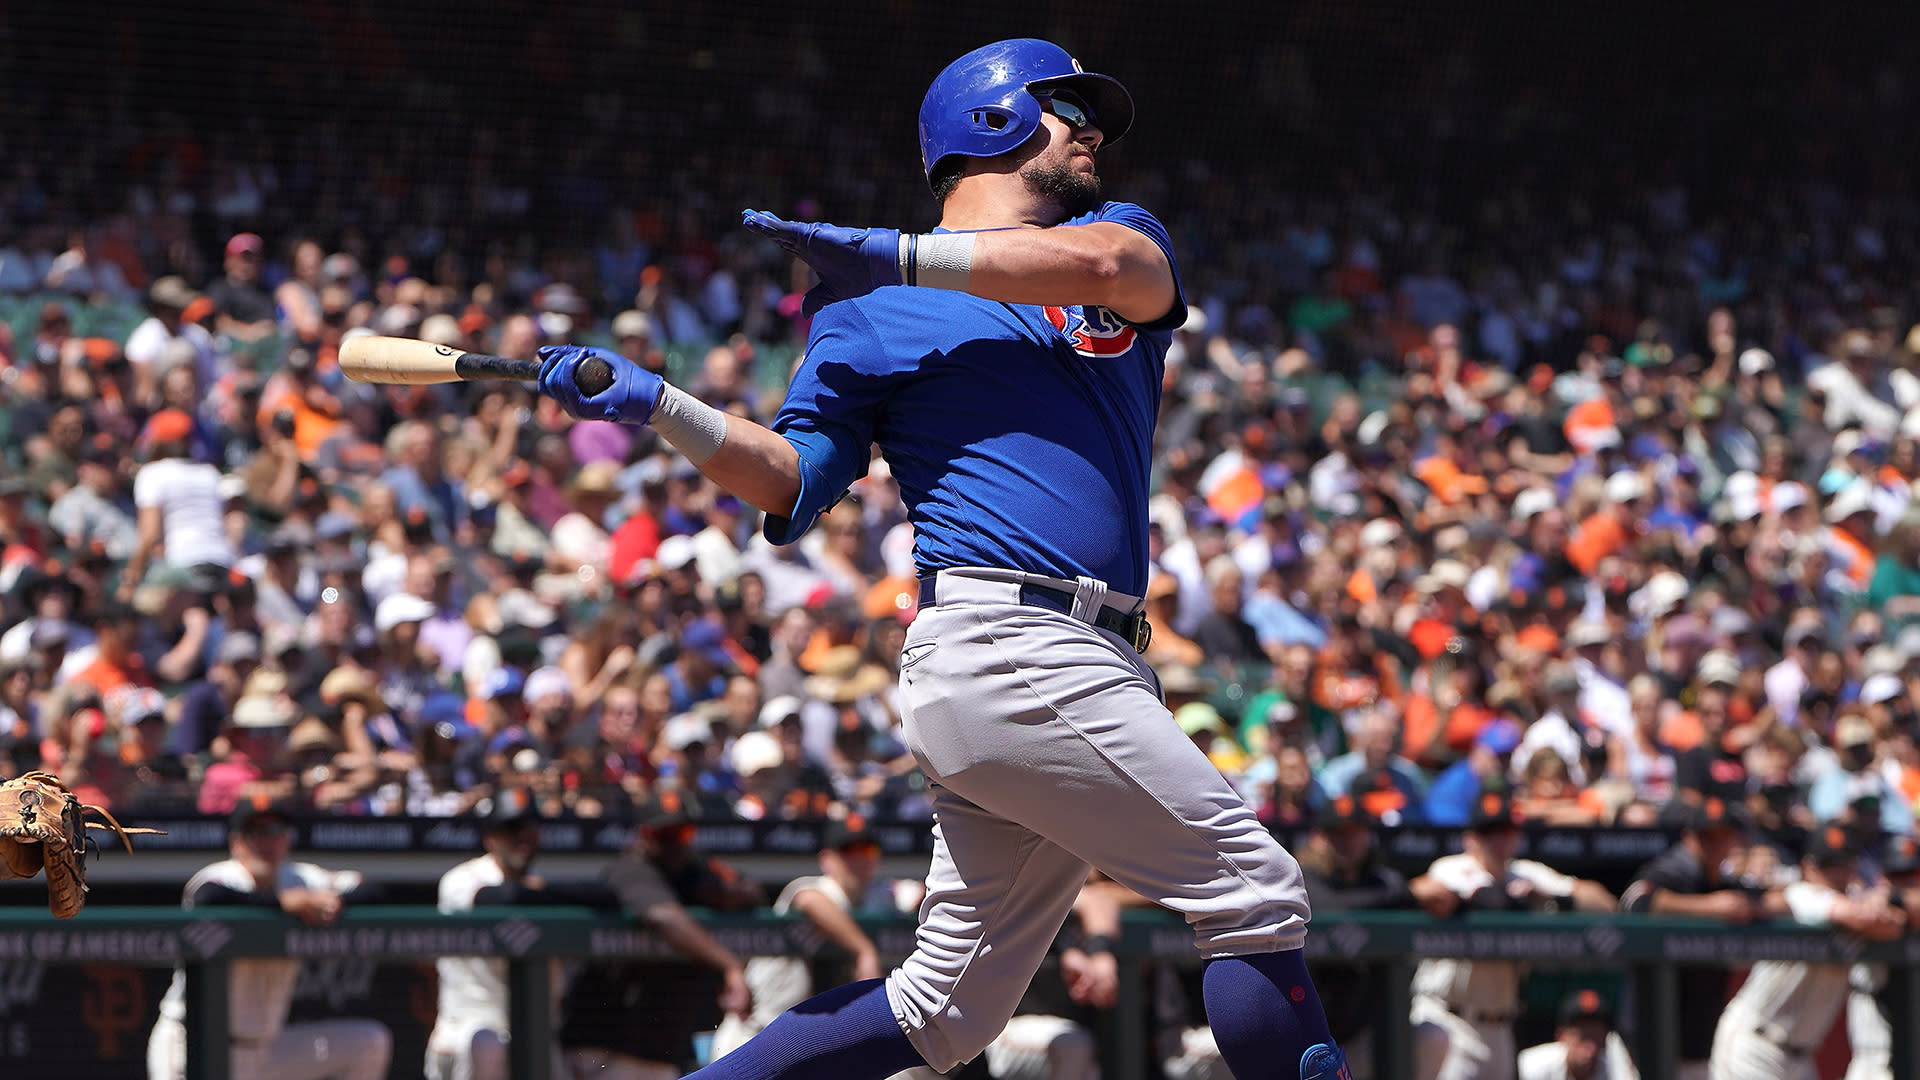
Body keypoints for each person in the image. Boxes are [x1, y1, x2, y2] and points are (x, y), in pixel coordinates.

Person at [534, 38, 1347, 1080]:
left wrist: (894, 252)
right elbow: (793, 479)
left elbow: (1119, 274)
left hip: (1066, 657)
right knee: (1253, 888)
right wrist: (661, 405)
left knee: (945, 1012)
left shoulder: (1105, 237)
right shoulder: (867, 310)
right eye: (1064, 107)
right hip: (1008, 642)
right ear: (992, 118)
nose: (1090, 129)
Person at [146, 799, 392, 1080]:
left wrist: (330, 902)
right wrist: (285, 903)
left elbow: (371, 889)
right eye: (256, 832)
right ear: (236, 843)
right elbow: (209, 897)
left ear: (287, 839)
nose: (267, 841)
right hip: (191, 1043)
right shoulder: (223, 877)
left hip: (265, 1051)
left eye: (275, 830)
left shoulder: (300, 877)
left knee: (368, 1042)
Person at [1407, 792, 1616, 1080]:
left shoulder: (1525, 873)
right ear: (1470, 839)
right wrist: (1517, 900)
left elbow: (1603, 903)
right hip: (1448, 1018)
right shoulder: (1451, 868)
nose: (1497, 841)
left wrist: (1547, 895)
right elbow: (1479, 898)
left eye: (1505, 832)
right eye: (1488, 833)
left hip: (1499, 1027)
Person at [558, 793, 758, 1079]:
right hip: (604, 1045)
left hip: (656, 1048)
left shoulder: (695, 870)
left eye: (682, 833)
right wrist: (730, 964)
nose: (675, 843)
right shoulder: (630, 867)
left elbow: (751, 890)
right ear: (645, 836)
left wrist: (721, 895)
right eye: (664, 835)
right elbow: (663, 916)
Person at [710, 818, 929, 1076]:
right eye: (849, 851)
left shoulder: (879, 894)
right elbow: (809, 900)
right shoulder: (815, 888)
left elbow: (922, 892)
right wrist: (864, 950)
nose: (859, 859)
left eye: (868, 850)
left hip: (807, 1044)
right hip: (753, 1038)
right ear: (827, 859)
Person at [1707, 824, 1907, 1080]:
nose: (1837, 874)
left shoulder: (1855, 897)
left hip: (1800, 1057)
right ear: (1809, 868)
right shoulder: (1802, 893)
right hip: (1754, 1044)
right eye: (1828, 866)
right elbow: (1859, 917)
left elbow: (1891, 925)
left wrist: (1881, 905)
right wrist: (1876, 906)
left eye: (1843, 864)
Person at [1616, 798, 1761, 1080]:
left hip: (1697, 1034)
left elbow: (1770, 899)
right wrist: (1711, 906)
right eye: (1706, 837)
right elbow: (1634, 900)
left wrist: (1749, 905)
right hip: (1648, 1033)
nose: (1714, 845)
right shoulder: (1673, 870)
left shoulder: (1725, 882)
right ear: (1689, 837)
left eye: (1722, 837)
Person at [426, 797, 556, 1080]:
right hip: (467, 1032)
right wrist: (542, 896)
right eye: (512, 829)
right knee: (487, 1044)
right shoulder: (462, 878)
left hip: (527, 1033)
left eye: (530, 829)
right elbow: (497, 898)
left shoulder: (538, 882)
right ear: (490, 838)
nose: (522, 837)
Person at [1515, 991, 1639, 1080]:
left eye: (1595, 1036)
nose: (1589, 1045)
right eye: (1582, 1037)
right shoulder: (1531, 1066)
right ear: (1561, 1036)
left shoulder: (1616, 1068)